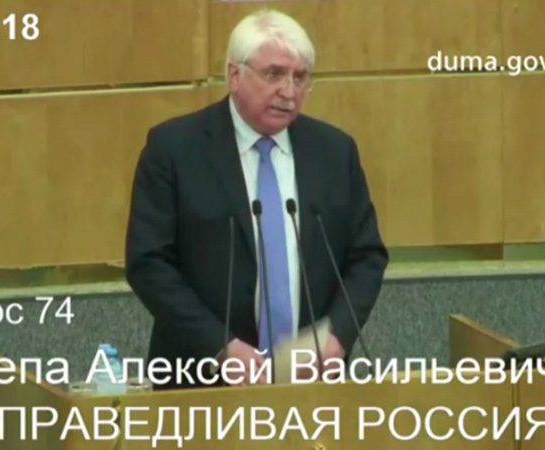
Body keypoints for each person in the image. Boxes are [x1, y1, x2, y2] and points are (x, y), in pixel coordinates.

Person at [125, 9, 388, 390]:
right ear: (235, 75)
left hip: (312, 380)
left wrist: (337, 337)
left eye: (300, 77)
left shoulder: (334, 151)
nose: (289, 92)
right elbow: (148, 263)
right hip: (202, 379)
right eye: (274, 74)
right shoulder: (174, 149)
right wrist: (220, 346)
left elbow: (366, 256)